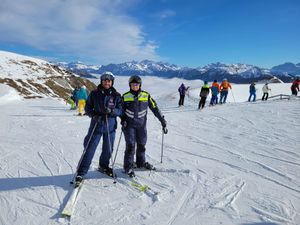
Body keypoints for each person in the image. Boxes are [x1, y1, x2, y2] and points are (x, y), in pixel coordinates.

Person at [75, 72, 123, 184]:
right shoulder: (94, 93)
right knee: (90, 148)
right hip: (97, 125)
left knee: (108, 149)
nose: (107, 82)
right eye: (105, 80)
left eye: (109, 81)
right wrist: (93, 115)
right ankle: (81, 172)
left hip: (110, 126)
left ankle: (104, 166)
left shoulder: (116, 95)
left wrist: (112, 111)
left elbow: (121, 110)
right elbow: (88, 107)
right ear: (101, 81)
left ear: (112, 82)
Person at [122, 75, 167, 177]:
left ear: (140, 85)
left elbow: (154, 108)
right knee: (130, 146)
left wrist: (162, 120)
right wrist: (123, 120)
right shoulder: (125, 96)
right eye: (133, 85)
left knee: (142, 145)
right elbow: (121, 111)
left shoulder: (146, 95)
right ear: (130, 85)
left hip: (141, 126)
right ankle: (128, 167)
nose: (135, 86)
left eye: (137, 84)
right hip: (129, 126)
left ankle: (140, 163)